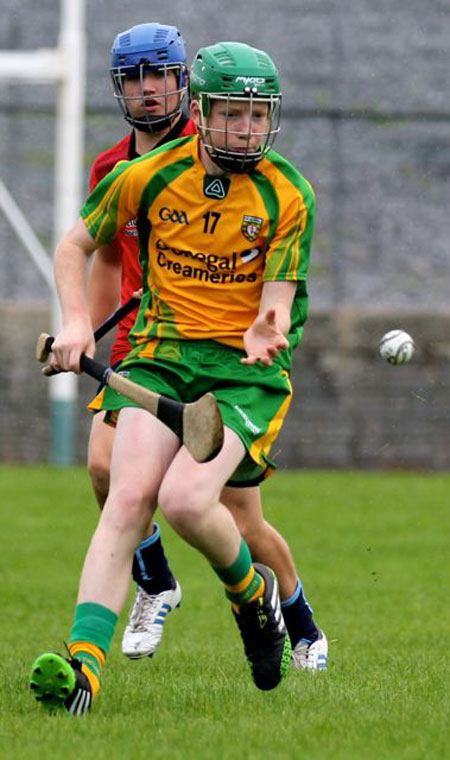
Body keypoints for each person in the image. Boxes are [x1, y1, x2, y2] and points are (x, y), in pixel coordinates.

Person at [30, 40, 322, 715]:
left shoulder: (289, 192)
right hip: (159, 358)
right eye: (231, 114)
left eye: (258, 115)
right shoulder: (148, 173)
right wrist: (76, 324)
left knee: (190, 503)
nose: (246, 128)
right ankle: (83, 670)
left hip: (244, 377)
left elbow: (278, 294)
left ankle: (254, 600)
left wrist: (266, 323)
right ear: (205, 110)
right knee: (126, 498)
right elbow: (76, 245)